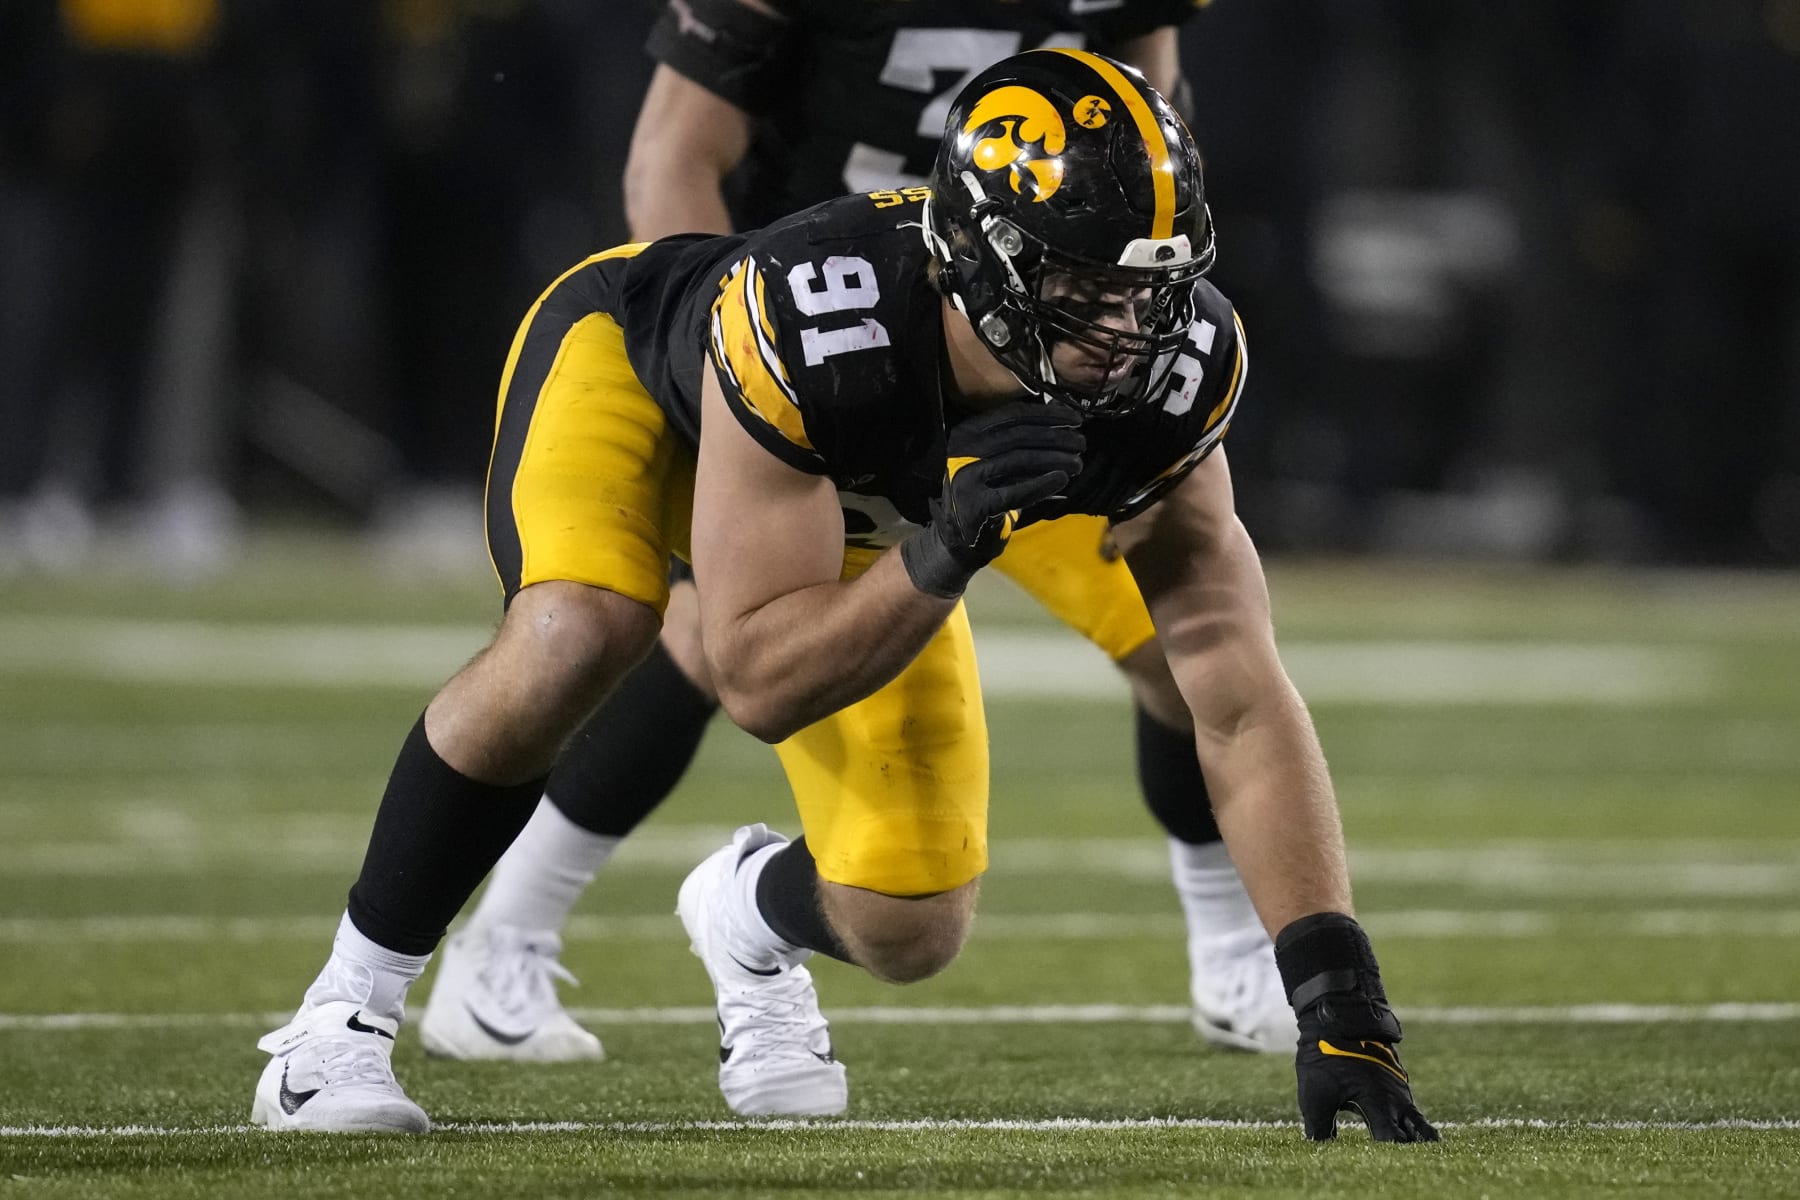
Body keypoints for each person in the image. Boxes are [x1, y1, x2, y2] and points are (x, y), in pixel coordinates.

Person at [250, 48, 1436, 1142]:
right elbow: (755, 673)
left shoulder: (1170, 376)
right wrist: (944, 554)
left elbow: (1230, 690)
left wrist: (1339, 998)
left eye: (1155, 287)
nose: (1131, 331)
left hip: (863, 518)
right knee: (581, 627)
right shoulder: (822, 319)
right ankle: (336, 1025)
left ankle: (745, 919)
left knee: (910, 918)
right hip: (642, 390)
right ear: (983, 254)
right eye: (1087, 285)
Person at [418, 0, 1299, 1069]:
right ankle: (507, 934)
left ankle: (1232, 954)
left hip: (1045, 363)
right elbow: (673, 159)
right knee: (713, 634)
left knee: (1180, 628)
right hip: (839, 350)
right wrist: (733, 391)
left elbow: (1163, 132)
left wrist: (1123, 338)